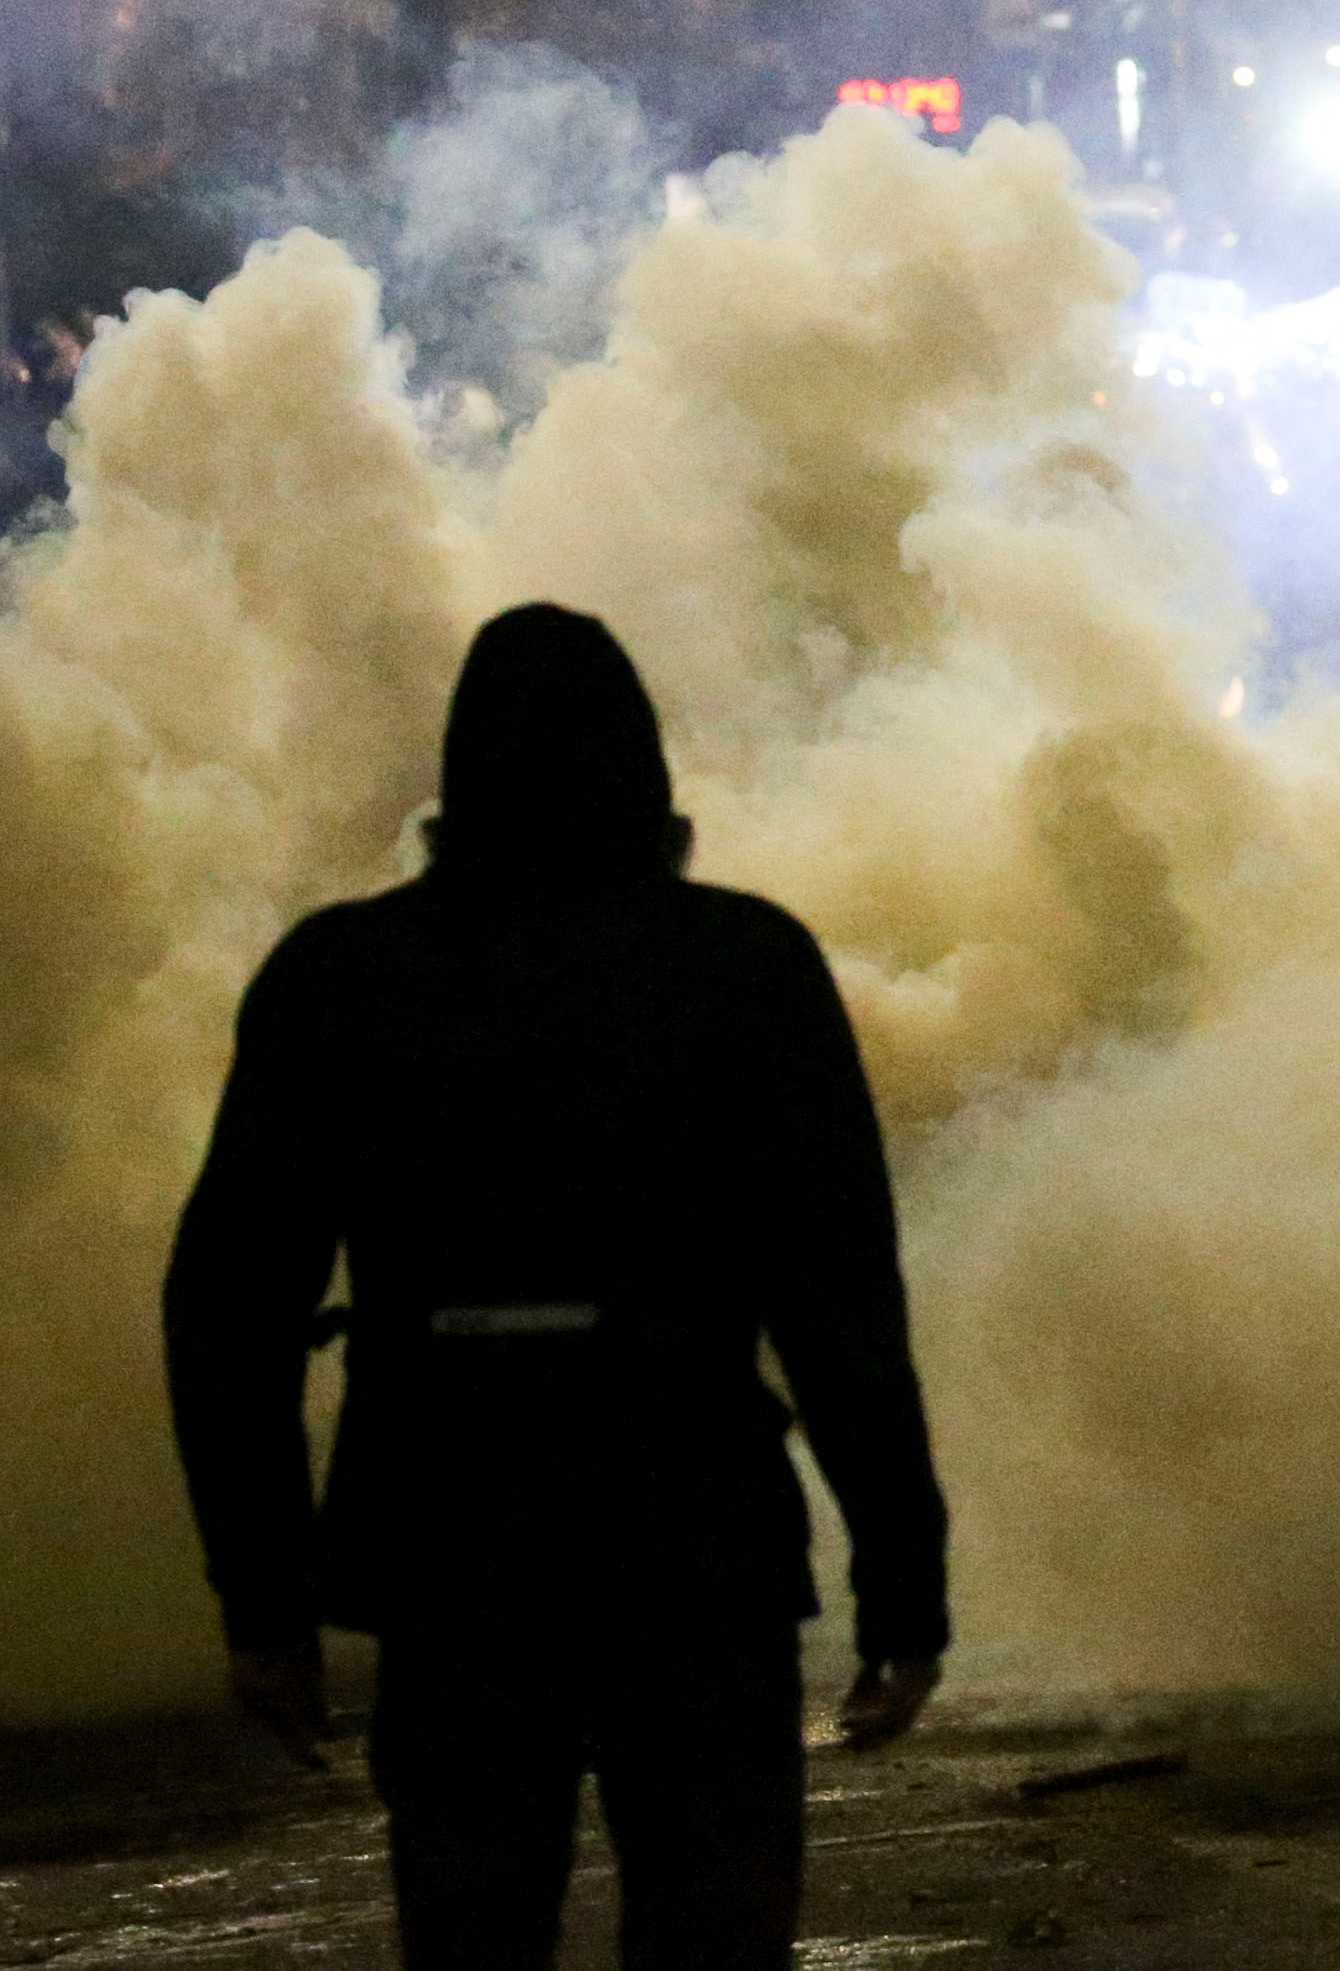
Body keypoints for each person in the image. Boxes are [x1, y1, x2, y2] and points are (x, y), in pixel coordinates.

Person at [164, 604, 949, 1971]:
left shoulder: (341, 979)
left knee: (472, 1932)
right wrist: (903, 1585)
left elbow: (229, 1313)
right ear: (646, 776)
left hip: (453, 1544)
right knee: (716, 1932)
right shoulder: (747, 969)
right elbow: (840, 1302)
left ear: (458, 780)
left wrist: (266, 1601)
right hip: (695, 1541)